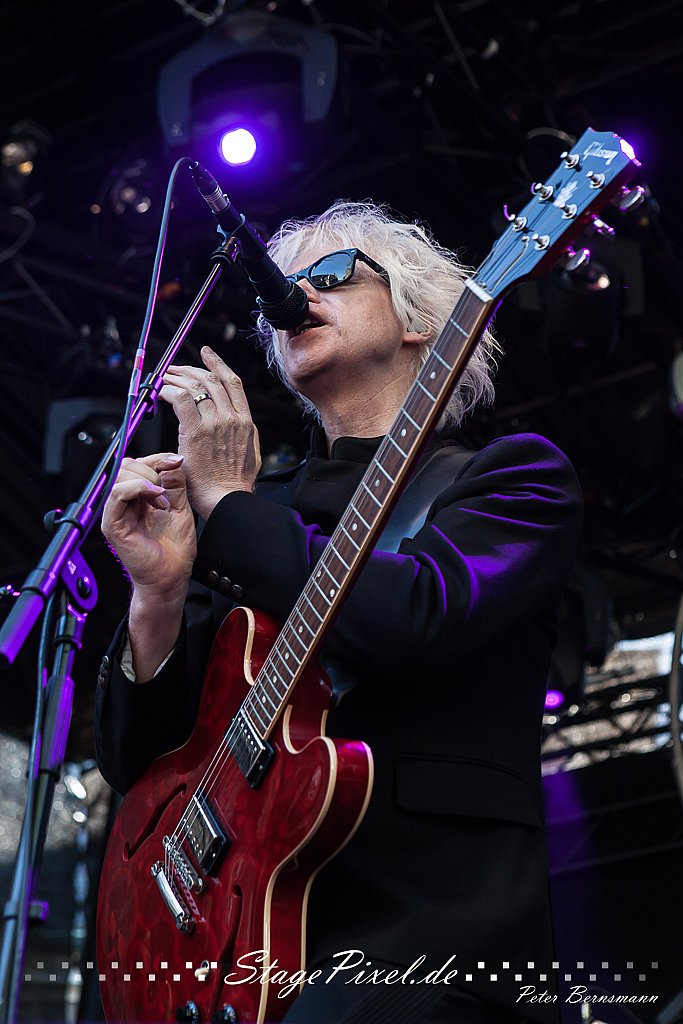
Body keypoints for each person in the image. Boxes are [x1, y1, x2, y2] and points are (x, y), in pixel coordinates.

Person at [95, 200, 582, 1023]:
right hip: (234, 931)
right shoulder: (248, 511)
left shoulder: (510, 480)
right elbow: (135, 759)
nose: (294, 296)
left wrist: (229, 505)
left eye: (330, 274)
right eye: (278, 288)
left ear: (421, 322)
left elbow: (415, 615)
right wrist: (157, 595)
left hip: (420, 936)